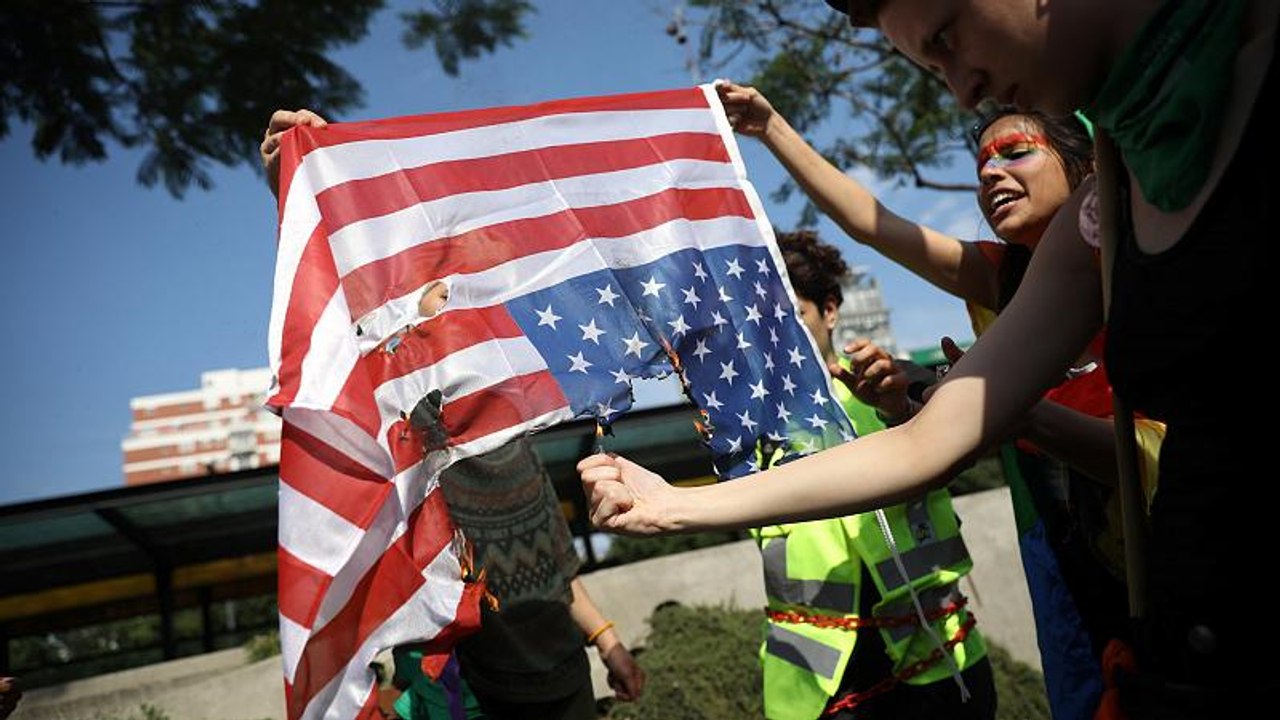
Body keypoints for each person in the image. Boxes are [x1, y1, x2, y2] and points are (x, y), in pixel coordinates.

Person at [581, 0, 1275, 715]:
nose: (960, 90)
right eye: (929, 65)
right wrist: (675, 505)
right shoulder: (1101, 213)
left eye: (947, 37)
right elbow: (925, 442)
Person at [720, 78, 1147, 718]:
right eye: (983, 165)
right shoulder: (999, 275)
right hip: (1056, 540)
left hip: (1157, 528)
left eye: (1016, 153)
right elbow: (870, 222)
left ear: (1090, 167)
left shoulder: (1148, 266)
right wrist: (771, 127)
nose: (992, 175)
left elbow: (1145, 458)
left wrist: (1006, 410)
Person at [261, 120, 646, 720]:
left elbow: (556, 575)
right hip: (472, 695)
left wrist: (610, 643)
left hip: (565, 681)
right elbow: (345, 317)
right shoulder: (418, 455)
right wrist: (301, 188)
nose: (461, 313)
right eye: (439, 302)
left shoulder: (519, 444)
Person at [756, 230, 994, 720]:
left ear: (830, 310)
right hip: (817, 686)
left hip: (939, 665)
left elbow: (960, 446)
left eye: (794, 313)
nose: (780, 330)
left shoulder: (894, 384)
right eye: (765, 319)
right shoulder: (746, 426)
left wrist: (899, 412)